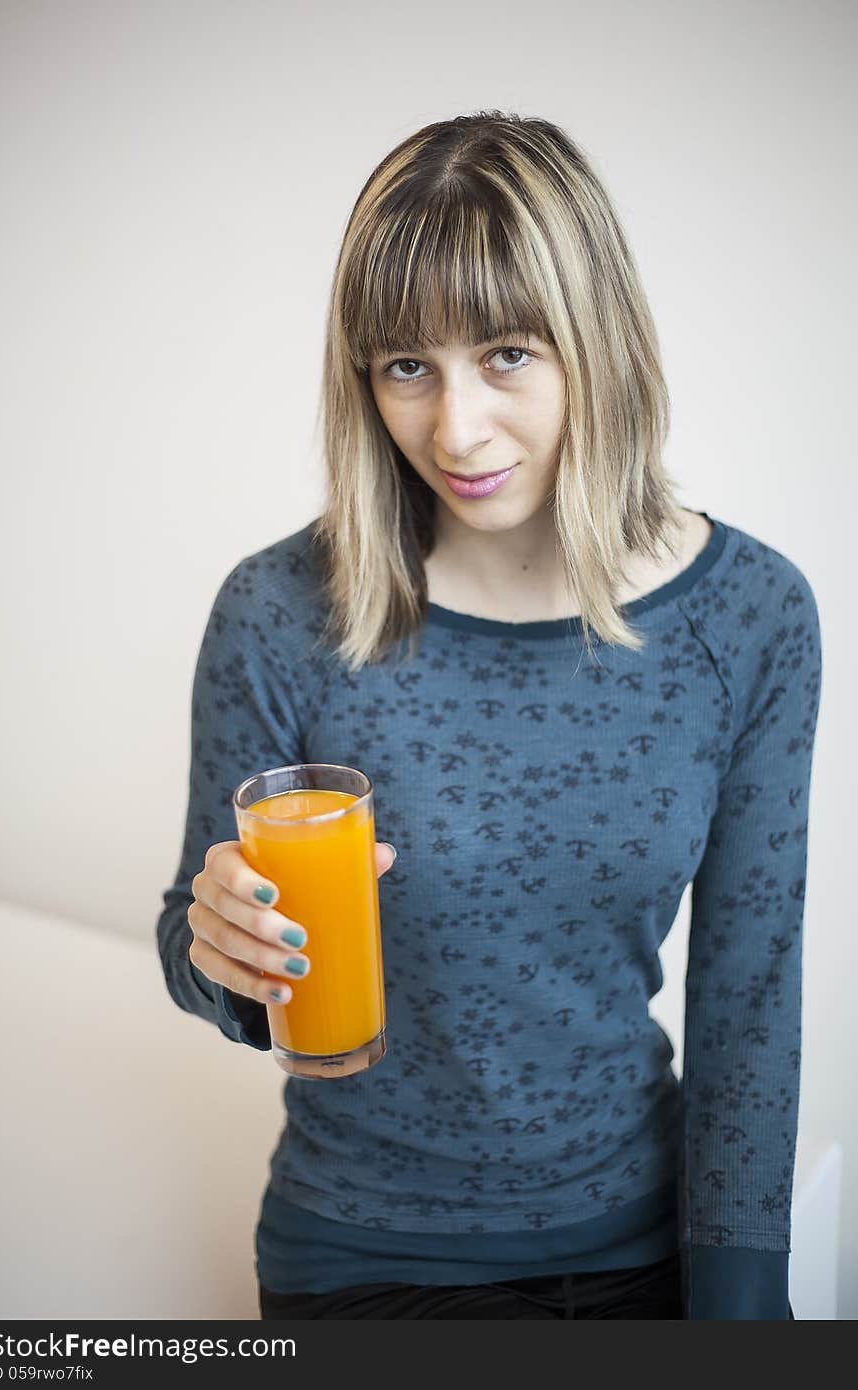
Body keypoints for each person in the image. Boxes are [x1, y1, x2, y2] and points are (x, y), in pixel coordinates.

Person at [155, 110, 821, 1319]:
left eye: (506, 352)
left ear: (596, 343)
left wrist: (740, 1311)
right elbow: (203, 952)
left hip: (646, 1239)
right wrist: (218, 954)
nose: (452, 429)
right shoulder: (277, 609)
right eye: (406, 364)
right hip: (362, 1259)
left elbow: (749, 1006)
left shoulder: (751, 618)